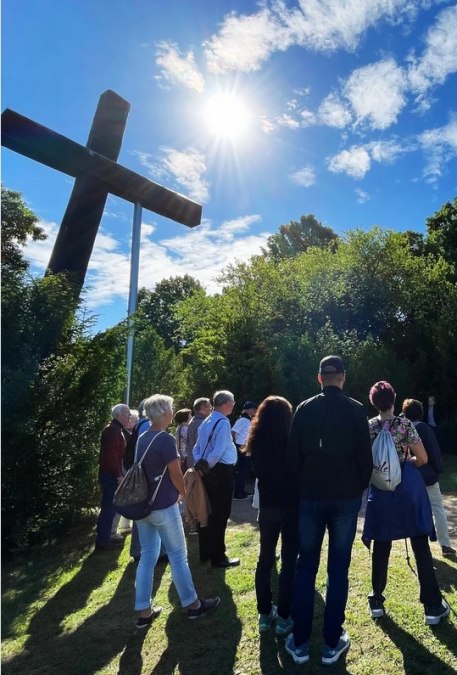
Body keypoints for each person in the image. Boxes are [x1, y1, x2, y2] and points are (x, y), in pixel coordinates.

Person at [286, 356, 373, 666]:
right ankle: (331, 641)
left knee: (305, 566)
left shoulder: (305, 409)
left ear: (319, 378)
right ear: (343, 378)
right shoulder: (357, 410)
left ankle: (299, 642)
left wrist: (303, 487)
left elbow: (292, 457)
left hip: (311, 496)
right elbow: (366, 458)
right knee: (338, 568)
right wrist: (357, 488)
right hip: (345, 499)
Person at [363, 382, 449, 627]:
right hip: (406, 493)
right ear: (394, 398)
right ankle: (432, 606)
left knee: (382, 544)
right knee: (419, 543)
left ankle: (377, 600)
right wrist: (409, 460)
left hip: (380, 494)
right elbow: (422, 458)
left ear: (373, 402)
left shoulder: (368, 427)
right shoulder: (405, 425)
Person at [134, 394, 220, 628]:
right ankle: (193, 605)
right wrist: (184, 495)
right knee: (178, 556)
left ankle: (144, 610)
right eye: (170, 409)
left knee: (147, 557)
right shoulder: (164, 439)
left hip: (144, 507)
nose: (173, 413)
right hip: (164, 506)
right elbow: (174, 473)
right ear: (163, 413)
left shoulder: (143, 437)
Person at [245, 395, 298, 636]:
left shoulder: (256, 441)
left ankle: (264, 613)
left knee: (265, 559)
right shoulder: (293, 440)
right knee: (288, 561)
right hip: (291, 506)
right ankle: (285, 614)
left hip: (267, 507)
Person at [402, 398, 456, 558]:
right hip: (427, 476)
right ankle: (445, 544)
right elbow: (434, 451)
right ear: (420, 413)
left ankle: (419, 545)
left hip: (410, 477)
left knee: (415, 511)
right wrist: (438, 469)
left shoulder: (401, 430)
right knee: (437, 508)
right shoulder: (424, 429)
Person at [192, 390, 240, 568]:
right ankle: (218, 557)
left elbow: (196, 448)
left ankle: (206, 552)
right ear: (226, 403)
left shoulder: (207, 420)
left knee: (208, 513)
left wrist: (200, 464)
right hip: (220, 472)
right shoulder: (223, 422)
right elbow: (218, 450)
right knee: (220, 514)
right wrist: (208, 467)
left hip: (209, 470)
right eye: (233, 402)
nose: (234, 405)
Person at [95, 403, 130, 551]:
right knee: (108, 508)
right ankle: (103, 540)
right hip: (110, 475)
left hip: (111, 474)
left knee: (111, 507)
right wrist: (118, 475)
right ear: (119, 415)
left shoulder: (116, 430)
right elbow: (111, 457)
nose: (129, 416)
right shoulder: (112, 431)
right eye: (127, 414)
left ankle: (106, 537)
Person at [232, 401, 257, 500]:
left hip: (246, 447)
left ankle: (242, 490)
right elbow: (233, 432)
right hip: (241, 447)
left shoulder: (247, 419)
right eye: (254, 409)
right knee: (241, 470)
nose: (255, 411)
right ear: (248, 409)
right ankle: (238, 493)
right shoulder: (242, 420)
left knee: (245, 470)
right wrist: (235, 445)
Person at [186, 397, 212, 468]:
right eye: (210, 406)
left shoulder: (193, 420)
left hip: (191, 459)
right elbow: (201, 446)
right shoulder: (202, 423)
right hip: (198, 463)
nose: (211, 409)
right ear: (203, 408)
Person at [174, 408, 192, 472]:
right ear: (185, 417)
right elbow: (190, 440)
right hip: (185, 455)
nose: (191, 417)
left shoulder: (179, 427)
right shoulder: (184, 428)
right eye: (190, 415)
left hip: (182, 455)